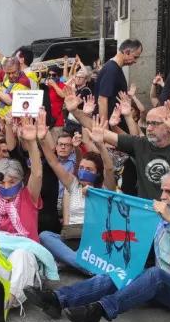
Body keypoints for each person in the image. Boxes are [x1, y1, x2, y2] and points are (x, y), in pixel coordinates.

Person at [25, 170, 170, 322]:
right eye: (162, 191)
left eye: (169, 192)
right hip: (162, 288)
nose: (162, 197)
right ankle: (57, 300)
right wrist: (96, 194)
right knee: (119, 273)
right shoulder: (163, 211)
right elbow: (125, 204)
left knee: (155, 274)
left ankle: (99, 311)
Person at [0, 110, 54, 306]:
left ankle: (8, 302)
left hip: (21, 254)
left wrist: (31, 143)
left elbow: (38, 174)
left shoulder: (27, 195)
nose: (6, 186)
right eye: (2, 182)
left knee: (21, 256)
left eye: (12, 181)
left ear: (21, 181)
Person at [82, 100, 170, 200]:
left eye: (154, 123)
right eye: (147, 123)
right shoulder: (140, 144)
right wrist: (75, 111)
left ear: (169, 127)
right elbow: (100, 131)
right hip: (146, 213)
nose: (149, 128)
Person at [38, 116, 115, 273]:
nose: (83, 172)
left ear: (97, 173)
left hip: (93, 240)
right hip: (70, 237)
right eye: (81, 168)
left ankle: (73, 262)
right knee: (45, 236)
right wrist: (42, 140)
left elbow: (109, 169)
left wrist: (100, 146)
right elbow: (54, 163)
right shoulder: (73, 185)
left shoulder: (105, 188)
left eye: (89, 170)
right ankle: (82, 265)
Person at [95, 39, 142, 118]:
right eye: (135, 57)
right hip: (110, 123)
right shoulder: (111, 69)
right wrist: (104, 127)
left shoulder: (115, 68)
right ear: (127, 52)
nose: (135, 61)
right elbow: (102, 99)